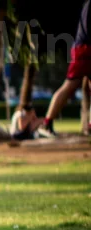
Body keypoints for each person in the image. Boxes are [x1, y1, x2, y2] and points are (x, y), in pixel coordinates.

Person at [39, 0, 91, 136]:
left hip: (84, 48)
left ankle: (90, 125)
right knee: (69, 85)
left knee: (71, 86)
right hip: (84, 49)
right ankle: (46, 123)